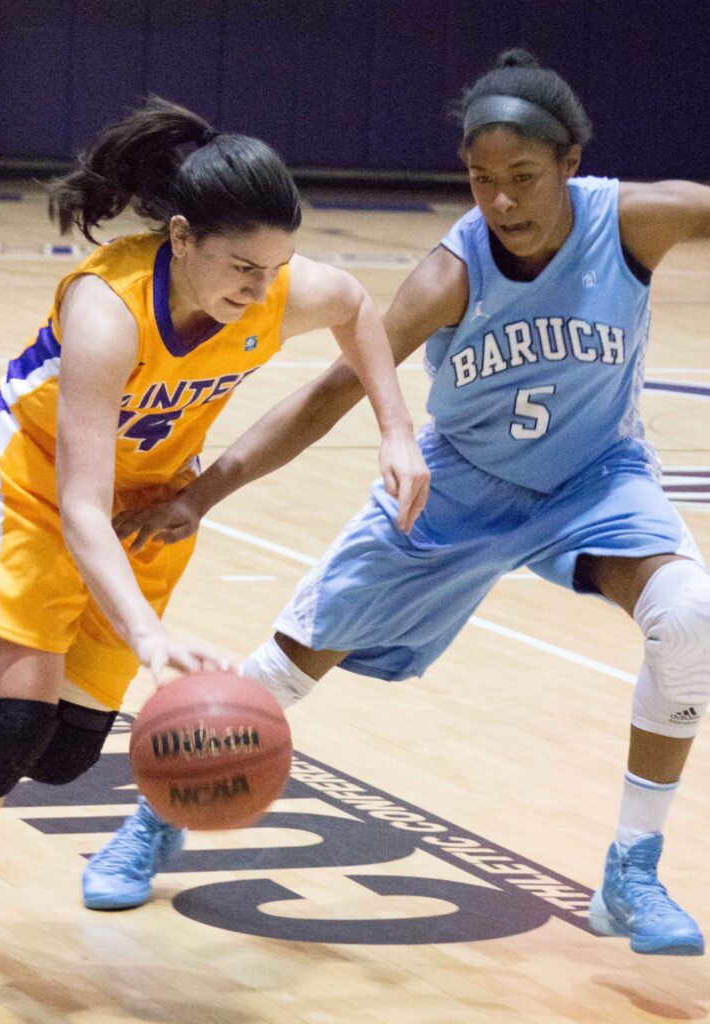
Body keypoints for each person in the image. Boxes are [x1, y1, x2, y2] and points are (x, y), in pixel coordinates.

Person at [90, 50, 710, 955]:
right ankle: (158, 817)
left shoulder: (632, 222)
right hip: (455, 487)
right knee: (293, 659)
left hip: (597, 480)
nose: (500, 201)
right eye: (480, 179)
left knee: (689, 614)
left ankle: (631, 872)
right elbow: (330, 391)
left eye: (523, 178)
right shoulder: (451, 273)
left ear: (573, 161)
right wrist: (206, 493)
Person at [0, 96, 429, 1003]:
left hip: (148, 500)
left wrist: (398, 431)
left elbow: (357, 309)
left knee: (67, 753)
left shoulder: (277, 286)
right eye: (240, 266)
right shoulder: (108, 312)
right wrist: (152, 635)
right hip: (34, 485)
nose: (259, 288)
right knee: (12, 728)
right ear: (183, 237)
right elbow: (77, 507)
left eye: (274, 266)